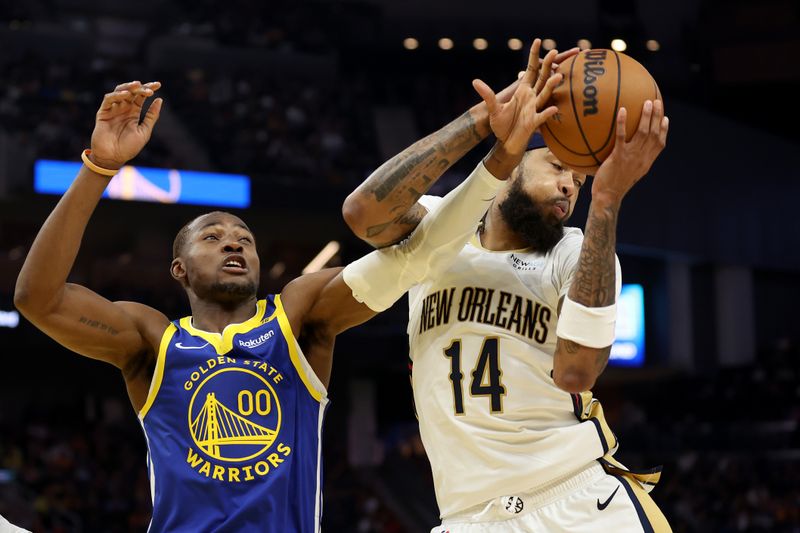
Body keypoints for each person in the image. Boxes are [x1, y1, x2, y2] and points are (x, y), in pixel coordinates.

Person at [13, 45, 561, 532]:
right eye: (213, 236)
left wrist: (498, 154)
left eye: (244, 239)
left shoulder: (298, 317)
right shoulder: (151, 342)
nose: (234, 244)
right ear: (178, 269)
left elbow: (413, 258)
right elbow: (38, 299)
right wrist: (99, 166)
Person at [343, 39, 672, 531]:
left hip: (577, 502)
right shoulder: (437, 227)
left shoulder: (577, 252)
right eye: (559, 167)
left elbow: (578, 373)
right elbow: (362, 213)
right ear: (516, 160)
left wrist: (606, 199)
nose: (569, 186)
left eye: (580, 184)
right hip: (466, 517)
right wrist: (485, 119)